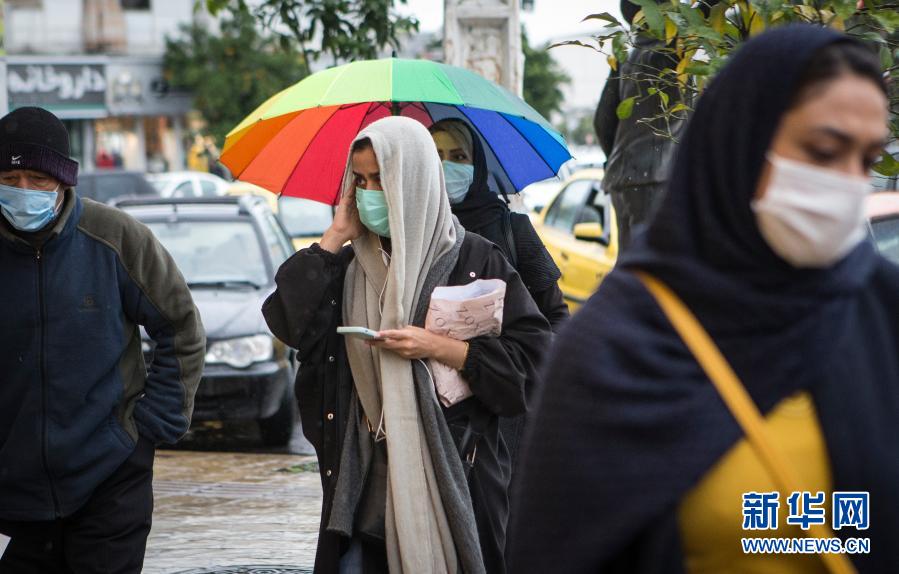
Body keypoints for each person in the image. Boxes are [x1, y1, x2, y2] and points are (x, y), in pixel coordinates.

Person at [511, 26, 899, 573]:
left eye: (868, 159)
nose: (849, 183)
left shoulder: (878, 306)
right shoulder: (617, 349)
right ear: (739, 144)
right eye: (824, 151)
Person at [262, 116, 550, 574]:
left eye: (381, 178)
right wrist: (334, 237)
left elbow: (535, 363)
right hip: (363, 478)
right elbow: (287, 323)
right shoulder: (348, 265)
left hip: (458, 472)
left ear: (414, 179)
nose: (370, 192)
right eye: (360, 181)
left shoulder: (475, 258)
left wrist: (439, 347)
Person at [0, 106, 206, 573]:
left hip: (111, 475)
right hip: (17, 487)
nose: (23, 190)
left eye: (37, 178)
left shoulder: (115, 237)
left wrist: (149, 430)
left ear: (63, 181)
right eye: (10, 178)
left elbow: (181, 327)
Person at [429, 118, 568, 477]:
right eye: (436, 156)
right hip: (436, 410)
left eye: (458, 156)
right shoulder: (412, 237)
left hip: (508, 406)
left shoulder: (512, 229)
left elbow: (555, 316)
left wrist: (533, 375)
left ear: (476, 165)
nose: (446, 166)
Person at [593, 0, 689, 250]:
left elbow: (603, 121)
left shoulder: (627, 56)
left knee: (631, 260)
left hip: (622, 176)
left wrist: (619, 159)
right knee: (654, 262)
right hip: (656, 177)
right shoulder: (674, 49)